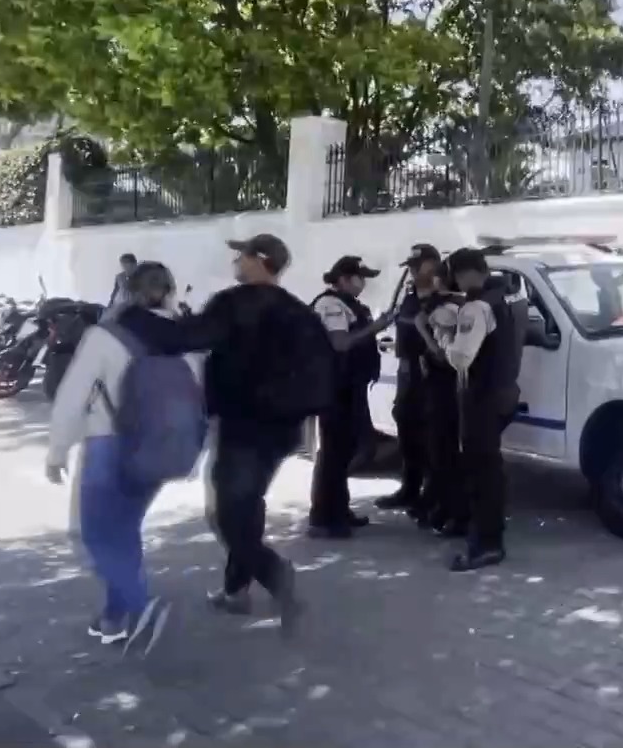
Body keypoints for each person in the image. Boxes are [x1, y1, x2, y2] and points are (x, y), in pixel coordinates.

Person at [45, 261, 199, 654]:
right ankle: (115, 618)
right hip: (161, 448)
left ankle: (141, 604)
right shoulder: (186, 337)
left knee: (94, 535)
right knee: (125, 530)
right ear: (170, 292)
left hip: (108, 445)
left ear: (126, 292)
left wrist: (58, 450)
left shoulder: (105, 335)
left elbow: (73, 396)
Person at [182, 233, 330, 635]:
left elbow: (193, 338)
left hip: (243, 426)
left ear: (258, 260)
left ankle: (276, 575)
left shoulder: (233, 302)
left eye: (241, 255)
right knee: (247, 505)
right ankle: (235, 591)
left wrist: (154, 320)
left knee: (225, 513)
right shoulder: (298, 310)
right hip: (282, 431)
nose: (236, 261)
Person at [433, 247, 529, 572]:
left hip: (482, 397)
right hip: (503, 391)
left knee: (481, 471)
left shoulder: (477, 307)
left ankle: (486, 546)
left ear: (463, 273)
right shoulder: (507, 296)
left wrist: (443, 335)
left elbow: (461, 358)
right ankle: (487, 534)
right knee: (489, 468)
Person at [307, 255, 394, 538]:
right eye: (360, 277)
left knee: (343, 450)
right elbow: (340, 343)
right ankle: (323, 518)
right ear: (343, 278)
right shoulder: (330, 304)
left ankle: (338, 510)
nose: (363, 283)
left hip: (349, 387)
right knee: (333, 453)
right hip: (334, 389)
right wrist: (375, 328)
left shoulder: (348, 304)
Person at [374, 244, 439, 514]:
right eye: (410, 266)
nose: (412, 271)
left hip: (430, 373)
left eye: (417, 265)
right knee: (407, 430)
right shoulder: (410, 297)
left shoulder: (442, 298)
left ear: (432, 265)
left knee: (431, 435)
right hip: (407, 371)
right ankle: (409, 489)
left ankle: (432, 495)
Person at [412, 259, 465, 536]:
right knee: (443, 452)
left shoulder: (447, 310)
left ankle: (448, 513)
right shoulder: (458, 306)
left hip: (445, 387)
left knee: (444, 453)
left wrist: (425, 333)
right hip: (449, 386)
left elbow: (444, 356)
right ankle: (439, 508)